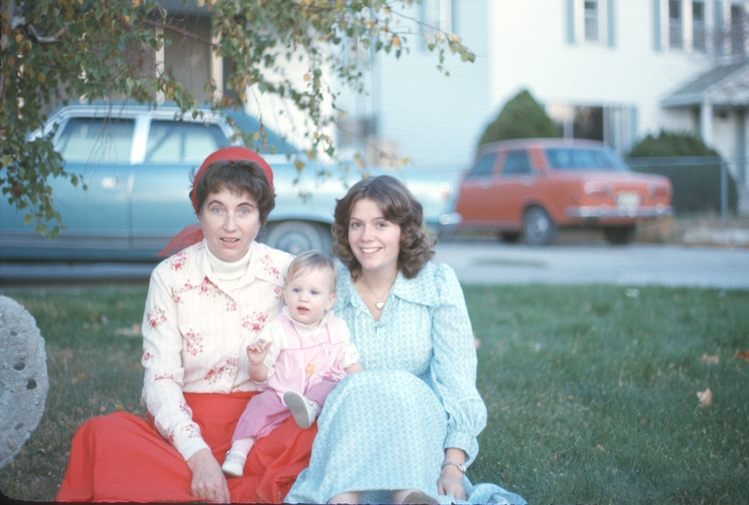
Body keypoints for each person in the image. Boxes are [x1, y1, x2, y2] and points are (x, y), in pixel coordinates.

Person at [56, 147, 316, 503]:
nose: (230, 225)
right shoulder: (170, 277)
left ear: (261, 216)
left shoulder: (289, 273)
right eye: (217, 209)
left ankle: (194, 489)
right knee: (99, 435)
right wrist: (199, 457)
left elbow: (315, 349)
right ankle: (222, 486)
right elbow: (160, 379)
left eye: (244, 210)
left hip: (262, 430)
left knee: (314, 430)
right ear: (199, 211)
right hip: (185, 432)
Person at [285, 175, 525, 505]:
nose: (366, 236)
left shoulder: (437, 282)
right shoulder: (328, 288)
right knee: (356, 386)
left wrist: (453, 467)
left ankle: (410, 496)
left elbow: (458, 379)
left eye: (380, 224)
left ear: (404, 230)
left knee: (401, 385)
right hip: (352, 431)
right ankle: (342, 499)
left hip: (414, 427)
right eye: (357, 224)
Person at [222, 251, 363, 477]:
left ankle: (311, 408)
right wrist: (256, 363)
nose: (303, 298)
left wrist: (363, 383)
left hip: (317, 392)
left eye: (314, 292)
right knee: (256, 408)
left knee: (329, 386)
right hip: (281, 392)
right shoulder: (277, 329)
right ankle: (237, 455)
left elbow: (350, 363)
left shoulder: (337, 328)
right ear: (285, 294)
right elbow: (261, 376)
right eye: (297, 290)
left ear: (329, 301)